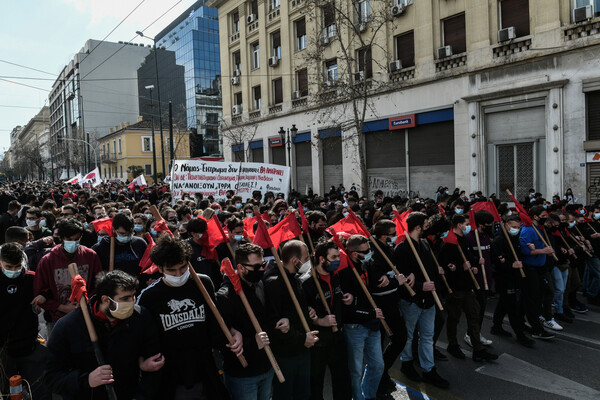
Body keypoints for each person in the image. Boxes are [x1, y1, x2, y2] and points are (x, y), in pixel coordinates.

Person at [137, 235, 239, 399]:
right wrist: (141, 361)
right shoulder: (149, 297)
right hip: (171, 373)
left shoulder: (203, 283)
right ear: (160, 268)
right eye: (171, 270)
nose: (178, 274)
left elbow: (216, 320)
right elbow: (141, 336)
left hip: (205, 367)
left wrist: (233, 331)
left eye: (183, 268)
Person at [45, 269, 163, 399]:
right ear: (106, 300)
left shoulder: (140, 317)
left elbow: (153, 366)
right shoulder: (69, 326)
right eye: (125, 298)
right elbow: (52, 377)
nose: (132, 302)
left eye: (133, 296)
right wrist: (87, 379)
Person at [394, 212, 449, 388]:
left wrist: (436, 276)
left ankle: (428, 369)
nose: (428, 227)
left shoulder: (425, 244)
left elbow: (430, 269)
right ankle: (407, 363)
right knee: (409, 336)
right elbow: (400, 279)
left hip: (429, 300)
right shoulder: (402, 249)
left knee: (427, 336)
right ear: (418, 227)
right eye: (426, 224)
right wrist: (419, 286)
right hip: (411, 301)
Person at [217, 244, 274, 400]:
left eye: (263, 265)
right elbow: (220, 339)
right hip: (243, 375)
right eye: (256, 266)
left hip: (267, 366)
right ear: (240, 268)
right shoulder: (225, 296)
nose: (262, 269)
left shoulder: (260, 284)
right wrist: (251, 343)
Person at [263, 240, 317, 400]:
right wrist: (301, 338)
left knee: (303, 394)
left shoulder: (294, 277)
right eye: (306, 258)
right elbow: (276, 324)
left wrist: (308, 311)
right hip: (286, 354)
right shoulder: (273, 283)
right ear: (295, 261)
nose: (308, 262)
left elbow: (294, 309)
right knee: (285, 394)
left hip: (302, 350)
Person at [440, 214, 498, 361]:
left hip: (468, 286)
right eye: (466, 224)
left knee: (474, 315)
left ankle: (478, 349)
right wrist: (461, 267)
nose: (469, 227)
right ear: (459, 225)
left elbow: (468, 256)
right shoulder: (449, 243)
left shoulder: (464, 239)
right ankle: (453, 345)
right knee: (454, 317)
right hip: (455, 288)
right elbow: (447, 267)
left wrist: (473, 264)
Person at [300, 239, 353, 400]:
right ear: (322, 259)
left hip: (338, 336)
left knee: (343, 381)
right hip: (318, 341)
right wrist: (319, 321)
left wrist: (347, 297)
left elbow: (337, 296)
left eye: (338, 256)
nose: (338, 260)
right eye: (334, 257)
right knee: (316, 384)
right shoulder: (305, 282)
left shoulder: (335, 275)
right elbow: (302, 315)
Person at [0, 242, 50, 400]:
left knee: (38, 387)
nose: (14, 271)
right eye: (9, 266)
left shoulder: (32, 278)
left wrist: (44, 296)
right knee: (9, 391)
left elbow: (48, 291)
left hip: (29, 343)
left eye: (17, 266)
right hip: (3, 348)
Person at [338, 234, 384, 400]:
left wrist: (388, 277)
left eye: (369, 249)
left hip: (372, 325)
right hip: (355, 327)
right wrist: (370, 313)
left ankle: (369, 394)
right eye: (365, 251)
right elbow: (347, 309)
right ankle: (358, 397)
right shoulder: (343, 273)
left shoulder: (368, 265)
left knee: (378, 365)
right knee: (356, 369)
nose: (369, 253)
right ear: (353, 254)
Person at [34, 218, 103, 326]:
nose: (73, 242)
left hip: (86, 316)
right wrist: (62, 308)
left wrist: (86, 303)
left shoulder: (90, 256)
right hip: (57, 319)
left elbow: (98, 285)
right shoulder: (48, 260)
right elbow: (40, 291)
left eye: (77, 239)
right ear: (60, 238)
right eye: (69, 239)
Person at [369, 219, 410, 396]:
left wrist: (396, 278)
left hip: (393, 303)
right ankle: (377, 382)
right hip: (381, 306)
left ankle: (383, 371)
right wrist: (394, 281)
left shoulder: (389, 250)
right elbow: (378, 283)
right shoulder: (373, 253)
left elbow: (393, 274)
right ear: (385, 235)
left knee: (400, 338)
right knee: (378, 345)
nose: (396, 237)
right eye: (393, 234)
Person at [519, 205, 556, 339]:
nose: (545, 218)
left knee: (533, 297)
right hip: (530, 269)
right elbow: (523, 251)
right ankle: (536, 329)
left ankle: (521, 321)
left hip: (541, 267)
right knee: (533, 299)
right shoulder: (528, 230)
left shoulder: (540, 229)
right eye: (543, 215)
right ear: (535, 216)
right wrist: (542, 251)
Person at [465, 210, 494, 347]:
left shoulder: (486, 236)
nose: (490, 226)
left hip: (487, 278)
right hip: (476, 280)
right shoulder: (470, 237)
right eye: (488, 224)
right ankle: (470, 334)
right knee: (475, 310)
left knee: (482, 309)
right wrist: (476, 261)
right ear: (480, 224)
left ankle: (477, 333)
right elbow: (466, 257)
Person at [187, 217, 222, 288]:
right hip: (198, 287)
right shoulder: (187, 248)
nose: (205, 234)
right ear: (193, 234)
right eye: (202, 232)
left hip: (215, 285)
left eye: (206, 231)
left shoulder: (212, 244)